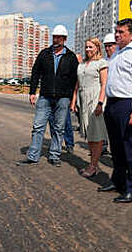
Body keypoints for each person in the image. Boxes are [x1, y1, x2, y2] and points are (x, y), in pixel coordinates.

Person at [98, 18, 132, 203]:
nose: (117, 35)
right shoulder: (117, 53)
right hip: (112, 104)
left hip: (127, 104)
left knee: (131, 148)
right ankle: (118, 182)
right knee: (117, 148)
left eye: (121, 32)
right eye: (116, 32)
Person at [18, 24, 78, 166]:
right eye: (54, 37)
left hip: (63, 99)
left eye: (59, 37)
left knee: (58, 128)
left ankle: (54, 156)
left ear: (65, 39)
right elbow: (35, 73)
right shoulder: (44, 54)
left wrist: (72, 98)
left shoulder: (71, 57)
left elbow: (75, 79)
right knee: (38, 126)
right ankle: (32, 156)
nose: (56, 39)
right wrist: (32, 92)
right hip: (45, 97)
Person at [70, 37, 108, 177]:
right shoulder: (82, 64)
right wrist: (73, 102)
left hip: (95, 100)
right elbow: (77, 84)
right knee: (89, 134)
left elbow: (104, 84)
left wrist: (100, 103)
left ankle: (92, 166)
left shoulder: (101, 63)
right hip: (83, 100)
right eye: (86, 47)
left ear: (97, 48)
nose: (88, 49)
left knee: (96, 135)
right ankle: (94, 164)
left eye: (91, 47)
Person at [101, 32, 117, 155]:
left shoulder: (120, 58)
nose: (107, 48)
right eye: (106, 46)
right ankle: (103, 147)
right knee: (104, 125)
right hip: (105, 97)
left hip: (117, 99)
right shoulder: (104, 61)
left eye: (110, 45)